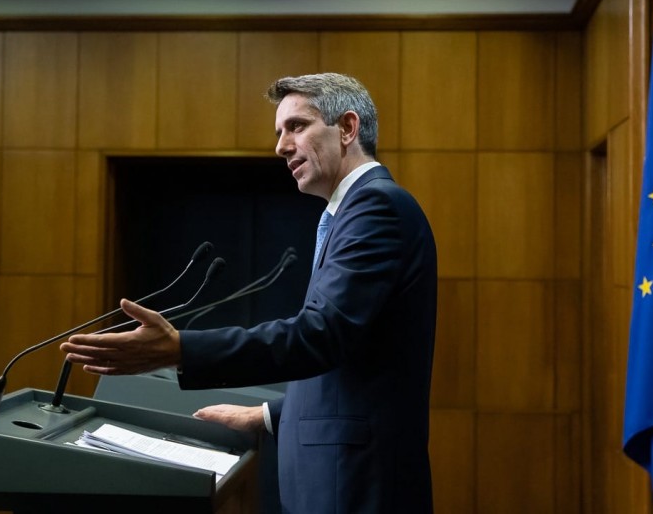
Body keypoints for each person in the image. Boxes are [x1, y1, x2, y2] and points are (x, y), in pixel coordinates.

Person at [61, 72, 438, 513]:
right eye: (279, 132)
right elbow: (353, 359)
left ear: (347, 128)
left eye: (296, 126)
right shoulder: (353, 212)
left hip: (357, 487)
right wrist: (267, 415)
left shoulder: (376, 207)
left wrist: (180, 349)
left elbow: (321, 335)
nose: (281, 146)